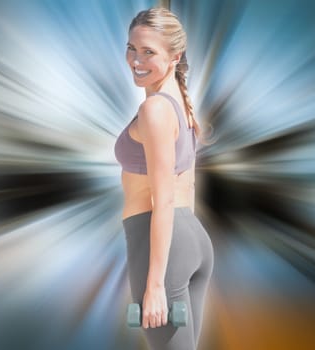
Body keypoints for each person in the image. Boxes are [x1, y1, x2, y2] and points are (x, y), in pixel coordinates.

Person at [114, 7, 214, 350]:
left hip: (161, 246)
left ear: (175, 56)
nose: (135, 60)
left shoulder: (155, 110)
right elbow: (188, 184)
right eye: (132, 48)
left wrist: (155, 284)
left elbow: (165, 197)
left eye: (148, 52)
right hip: (191, 240)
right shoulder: (178, 102)